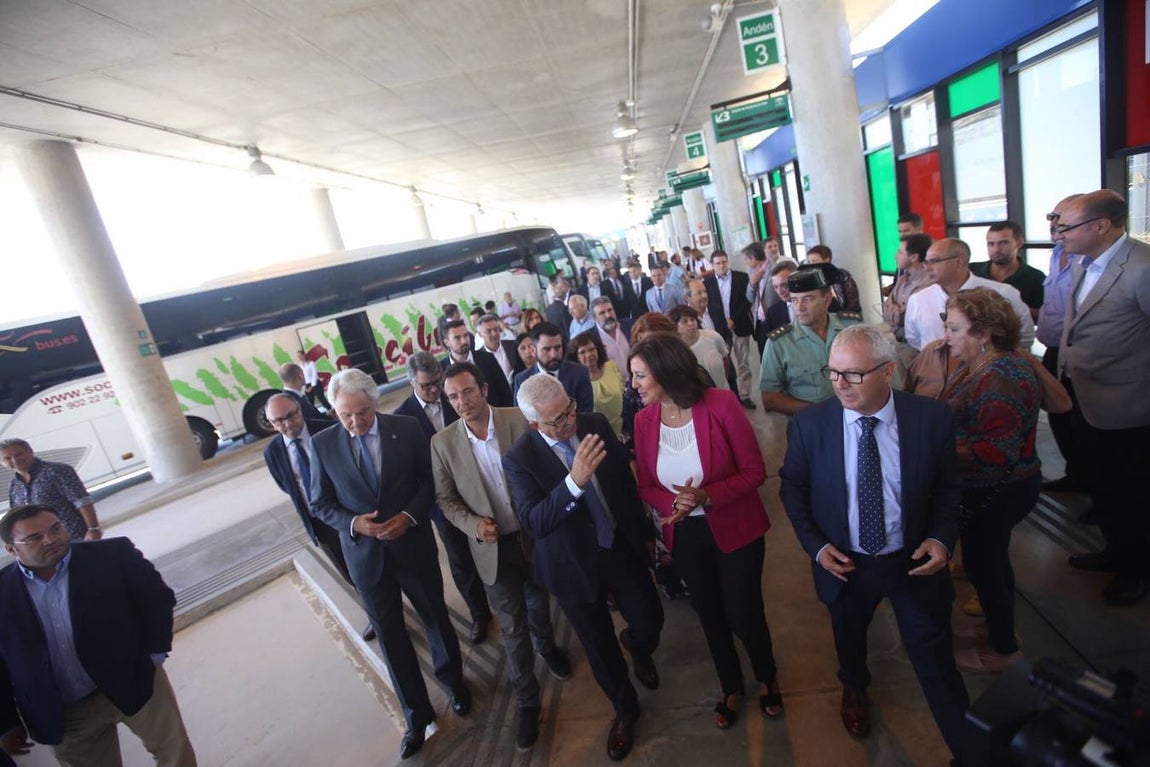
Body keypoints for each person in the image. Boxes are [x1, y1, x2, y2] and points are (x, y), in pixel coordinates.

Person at [779, 325, 970, 764]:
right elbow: (793, 489)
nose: (840, 384)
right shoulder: (811, 425)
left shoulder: (930, 419)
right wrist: (817, 547)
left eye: (854, 374)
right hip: (845, 563)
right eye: (833, 372)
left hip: (914, 562)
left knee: (937, 664)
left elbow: (948, 489)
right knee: (849, 636)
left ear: (888, 371)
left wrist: (942, 539)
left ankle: (968, 750)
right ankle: (854, 685)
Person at [503, 374, 665, 762]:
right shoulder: (519, 458)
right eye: (557, 420)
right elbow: (536, 521)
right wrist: (574, 482)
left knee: (650, 620)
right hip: (571, 565)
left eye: (569, 409)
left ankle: (638, 647)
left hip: (617, 547)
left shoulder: (593, 424)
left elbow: (622, 488)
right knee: (599, 647)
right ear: (534, 425)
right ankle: (625, 710)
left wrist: (644, 535)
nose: (569, 422)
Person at [310, 369, 468, 760]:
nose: (355, 423)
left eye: (362, 413)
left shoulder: (407, 428)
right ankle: (416, 716)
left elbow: (429, 481)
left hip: (411, 546)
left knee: (435, 618)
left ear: (374, 402)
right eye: (345, 415)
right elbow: (320, 502)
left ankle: (456, 685)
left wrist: (410, 517)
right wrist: (353, 523)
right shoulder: (323, 444)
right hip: (366, 558)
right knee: (391, 637)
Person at [630, 334, 782, 730]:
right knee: (711, 616)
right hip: (686, 537)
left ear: (665, 372)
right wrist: (673, 504)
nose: (635, 385)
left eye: (640, 376)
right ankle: (730, 686)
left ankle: (767, 676)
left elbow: (754, 472)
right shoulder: (643, 421)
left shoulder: (720, 405)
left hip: (736, 527)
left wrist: (706, 496)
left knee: (744, 614)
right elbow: (646, 484)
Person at [430, 363, 572, 752]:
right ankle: (528, 701)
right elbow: (446, 499)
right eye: (453, 396)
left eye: (468, 392)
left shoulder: (517, 419)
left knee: (539, 605)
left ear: (485, 389)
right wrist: (473, 524)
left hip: (531, 538)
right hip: (491, 549)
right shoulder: (442, 443)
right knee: (511, 627)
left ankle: (549, 647)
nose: (461, 402)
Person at [0, 504, 197, 767]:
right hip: (65, 711)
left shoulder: (112, 554)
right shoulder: (3, 591)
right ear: (11, 549)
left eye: (56, 528)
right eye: (34, 538)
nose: (51, 539)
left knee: (174, 753)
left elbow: (157, 599)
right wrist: (7, 722)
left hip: (135, 679)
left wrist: (153, 655)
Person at [937, 289, 1041, 672]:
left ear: (984, 333)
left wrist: (936, 449)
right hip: (991, 488)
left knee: (986, 567)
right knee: (993, 563)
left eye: (954, 328)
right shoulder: (987, 363)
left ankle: (1001, 650)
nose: (947, 336)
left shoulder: (1000, 376)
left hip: (998, 491)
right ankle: (999, 627)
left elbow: (1000, 452)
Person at [1056, 190, 1150, 605]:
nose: (1059, 232)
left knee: (1134, 494)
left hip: (1129, 405)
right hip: (1084, 394)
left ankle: (1137, 571)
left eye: (1067, 225)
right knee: (1104, 487)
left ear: (1101, 226)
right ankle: (1115, 551)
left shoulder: (1142, 267)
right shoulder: (1082, 263)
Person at [395, 352, 494, 644]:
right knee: (460, 558)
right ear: (412, 382)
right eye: (427, 386)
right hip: (441, 500)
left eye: (437, 382)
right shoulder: (402, 417)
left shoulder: (457, 398)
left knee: (491, 543)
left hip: (479, 487)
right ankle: (480, 612)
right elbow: (411, 469)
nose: (435, 390)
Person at [261, 393, 375, 642]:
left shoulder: (332, 430)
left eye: (291, 415)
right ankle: (375, 615)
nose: (288, 424)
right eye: (279, 421)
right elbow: (287, 485)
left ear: (300, 409)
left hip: (351, 515)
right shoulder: (273, 452)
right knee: (350, 573)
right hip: (319, 524)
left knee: (372, 567)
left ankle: (388, 605)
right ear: (271, 423)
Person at [1035, 195, 1088, 494]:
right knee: (1060, 417)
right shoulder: (1057, 254)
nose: (1055, 225)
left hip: (1082, 354)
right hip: (1055, 351)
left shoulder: (1089, 260)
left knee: (1084, 423)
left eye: (1061, 218)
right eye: (1052, 217)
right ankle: (1076, 474)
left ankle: (1098, 488)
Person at [759, 267, 862, 415]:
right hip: (811, 426)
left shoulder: (853, 328)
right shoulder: (779, 344)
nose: (799, 308)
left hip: (859, 417)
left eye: (808, 299)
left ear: (827, 299)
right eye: (794, 300)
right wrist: (820, 412)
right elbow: (769, 398)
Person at [903, 238, 1035, 351]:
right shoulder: (918, 299)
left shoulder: (1001, 293)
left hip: (987, 374)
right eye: (926, 262)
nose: (927, 267)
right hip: (936, 377)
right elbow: (914, 340)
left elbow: (1024, 338)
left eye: (935, 261)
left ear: (959, 261)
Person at [2, 440, 103, 542]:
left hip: (73, 537)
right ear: (2, 463)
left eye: (19, 454)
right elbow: (17, 516)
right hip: (43, 544)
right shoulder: (14, 485)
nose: (15, 460)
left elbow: (82, 501)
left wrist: (93, 529)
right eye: (7, 458)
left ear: (30, 451)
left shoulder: (57, 471)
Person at [703, 251, 756, 409]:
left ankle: (745, 394)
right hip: (720, 329)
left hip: (740, 325)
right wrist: (723, 321)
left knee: (743, 363)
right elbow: (709, 304)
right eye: (717, 263)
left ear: (728, 262)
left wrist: (733, 319)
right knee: (723, 362)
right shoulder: (708, 282)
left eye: (724, 262)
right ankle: (729, 394)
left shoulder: (741, 277)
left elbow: (747, 301)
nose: (721, 265)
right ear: (712, 265)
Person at [512, 322, 593, 414]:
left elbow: (585, 415)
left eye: (557, 348)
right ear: (533, 350)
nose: (553, 355)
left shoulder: (579, 373)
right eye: (546, 349)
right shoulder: (522, 380)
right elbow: (522, 418)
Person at [970, 221, 1045, 321]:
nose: (996, 249)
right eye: (991, 244)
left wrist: (1007, 310)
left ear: (1019, 243)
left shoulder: (1036, 277)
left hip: (1016, 335)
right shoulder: (972, 271)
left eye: (1003, 243)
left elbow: (1042, 315)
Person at [442, 319, 513, 407]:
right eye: (457, 338)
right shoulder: (441, 369)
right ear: (446, 342)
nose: (464, 341)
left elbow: (504, 392)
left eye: (465, 335)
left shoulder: (487, 358)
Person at [568, 330, 626, 436]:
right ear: (575, 356)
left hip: (621, 430)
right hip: (596, 435)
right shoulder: (577, 381)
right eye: (582, 352)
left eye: (591, 349)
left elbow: (623, 396)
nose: (589, 354)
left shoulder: (611, 366)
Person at [883, 234, 933, 343]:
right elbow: (885, 308)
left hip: (915, 346)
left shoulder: (928, 283)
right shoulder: (902, 280)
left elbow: (905, 318)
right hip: (897, 342)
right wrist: (897, 310)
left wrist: (895, 310)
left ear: (914, 257)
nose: (895, 256)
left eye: (900, 252)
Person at [669, 305, 729, 392]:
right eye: (685, 321)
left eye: (692, 319)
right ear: (676, 327)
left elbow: (725, 360)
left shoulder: (713, 337)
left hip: (723, 390)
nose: (691, 323)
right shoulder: (676, 351)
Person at [806, 245, 862, 313]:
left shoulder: (842, 275)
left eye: (814, 261)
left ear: (827, 260)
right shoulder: (809, 280)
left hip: (845, 317)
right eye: (809, 262)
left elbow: (853, 302)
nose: (811, 265)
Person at [473, 313, 524, 386]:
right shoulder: (478, 357)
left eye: (496, 329)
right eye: (489, 331)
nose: (494, 333)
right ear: (480, 334)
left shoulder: (513, 345)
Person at [592, 296, 631, 375]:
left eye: (610, 310)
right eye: (602, 313)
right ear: (594, 318)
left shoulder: (630, 325)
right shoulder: (592, 338)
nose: (608, 315)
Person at [764, 259, 798, 335]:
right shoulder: (772, 314)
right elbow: (770, 342)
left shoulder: (815, 305)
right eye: (776, 287)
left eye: (784, 285)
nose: (780, 291)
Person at [545, 275, 573, 341]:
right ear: (564, 295)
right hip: (566, 340)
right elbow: (567, 327)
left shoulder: (548, 309)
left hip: (556, 339)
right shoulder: (564, 308)